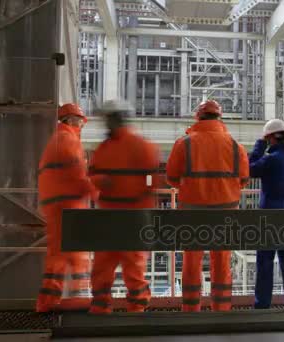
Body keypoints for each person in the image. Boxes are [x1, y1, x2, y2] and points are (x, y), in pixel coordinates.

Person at [166, 99, 249, 312]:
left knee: (191, 261)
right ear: (220, 118)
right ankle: (221, 311)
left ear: (198, 117)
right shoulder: (235, 146)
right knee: (222, 262)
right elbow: (243, 179)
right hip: (226, 213)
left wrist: (193, 189)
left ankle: (190, 311)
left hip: (193, 212)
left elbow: (172, 178)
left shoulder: (183, 143)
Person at [87, 100, 160, 314]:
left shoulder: (112, 147)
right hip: (126, 215)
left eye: (107, 119)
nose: (105, 124)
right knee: (126, 264)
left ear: (116, 119)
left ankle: (114, 309)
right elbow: (150, 180)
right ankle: (130, 309)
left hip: (123, 215)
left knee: (117, 264)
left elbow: (150, 180)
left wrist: (136, 191)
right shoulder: (133, 146)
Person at [36, 103, 98, 313]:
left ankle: (52, 301)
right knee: (71, 253)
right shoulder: (67, 140)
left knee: (64, 252)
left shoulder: (57, 139)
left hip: (58, 203)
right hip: (67, 204)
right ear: (71, 120)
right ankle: (73, 299)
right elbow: (77, 174)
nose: (82, 125)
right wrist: (96, 191)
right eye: (80, 121)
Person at [249, 119, 284, 309]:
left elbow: (249, 169)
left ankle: (262, 307)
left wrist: (259, 145)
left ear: (271, 138)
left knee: (265, 264)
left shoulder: (271, 159)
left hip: (269, 217)